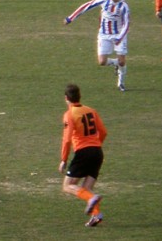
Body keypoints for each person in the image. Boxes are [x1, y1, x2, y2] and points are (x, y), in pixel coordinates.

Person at [64, 0, 130, 91]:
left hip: (119, 35)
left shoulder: (124, 6)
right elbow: (87, 6)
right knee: (102, 62)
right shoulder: (104, 0)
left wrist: (120, 37)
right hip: (104, 34)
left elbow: (127, 24)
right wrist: (70, 18)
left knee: (122, 61)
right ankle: (115, 63)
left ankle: (121, 83)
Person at [59, 83, 106, 228]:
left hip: (83, 152)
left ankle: (92, 199)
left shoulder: (69, 114)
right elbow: (103, 132)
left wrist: (63, 159)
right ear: (80, 96)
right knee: (86, 188)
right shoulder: (91, 111)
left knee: (67, 186)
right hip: (97, 152)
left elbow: (67, 140)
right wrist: (96, 145)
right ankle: (96, 215)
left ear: (66, 98)